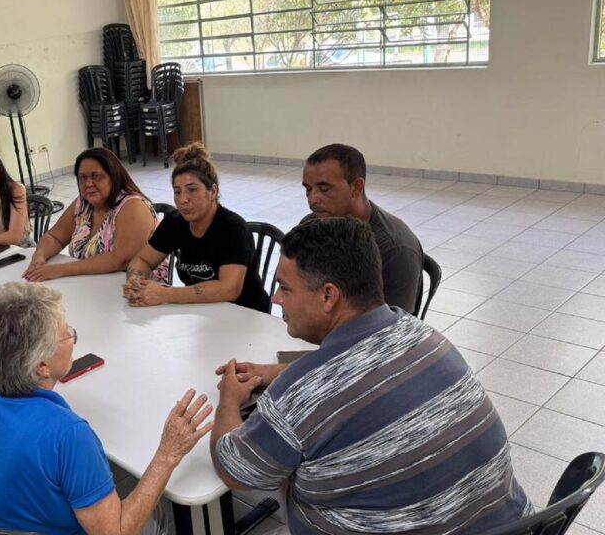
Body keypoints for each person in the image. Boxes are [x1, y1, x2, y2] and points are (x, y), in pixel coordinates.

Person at [210, 217, 530, 535]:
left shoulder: (304, 392)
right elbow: (361, 372)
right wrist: (277, 372)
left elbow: (235, 471)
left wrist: (229, 399)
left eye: (285, 287)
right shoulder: (419, 333)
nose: (276, 298)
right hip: (513, 526)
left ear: (328, 296)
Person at [0, 281, 213, 535]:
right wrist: (168, 453)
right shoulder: (67, 435)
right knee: (157, 513)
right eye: (67, 333)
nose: (73, 339)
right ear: (41, 365)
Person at [125, 143, 267, 312]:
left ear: (213, 191)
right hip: (200, 312)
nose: (183, 199)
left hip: (245, 315)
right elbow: (143, 260)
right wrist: (135, 280)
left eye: (192, 190)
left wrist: (165, 294)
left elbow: (229, 289)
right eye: (177, 192)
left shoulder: (232, 228)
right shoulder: (176, 222)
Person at [302, 143, 423, 314]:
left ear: (356, 187)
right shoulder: (312, 225)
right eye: (308, 189)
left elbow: (394, 328)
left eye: (324, 189)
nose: (313, 199)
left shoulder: (394, 249)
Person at [22, 147, 158, 282]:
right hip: (89, 283)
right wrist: (39, 256)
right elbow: (54, 237)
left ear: (113, 176)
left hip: (133, 289)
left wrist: (60, 269)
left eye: (96, 176)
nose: (88, 184)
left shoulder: (133, 206)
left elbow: (121, 259)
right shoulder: (83, 203)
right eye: (82, 178)